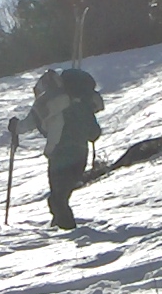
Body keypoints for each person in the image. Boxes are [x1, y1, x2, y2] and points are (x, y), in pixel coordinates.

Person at [15, 66, 104, 229]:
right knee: (60, 197)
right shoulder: (81, 101)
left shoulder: (48, 103)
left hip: (60, 156)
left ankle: (68, 232)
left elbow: (26, 125)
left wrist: (15, 127)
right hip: (80, 154)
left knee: (57, 199)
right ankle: (58, 228)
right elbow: (94, 133)